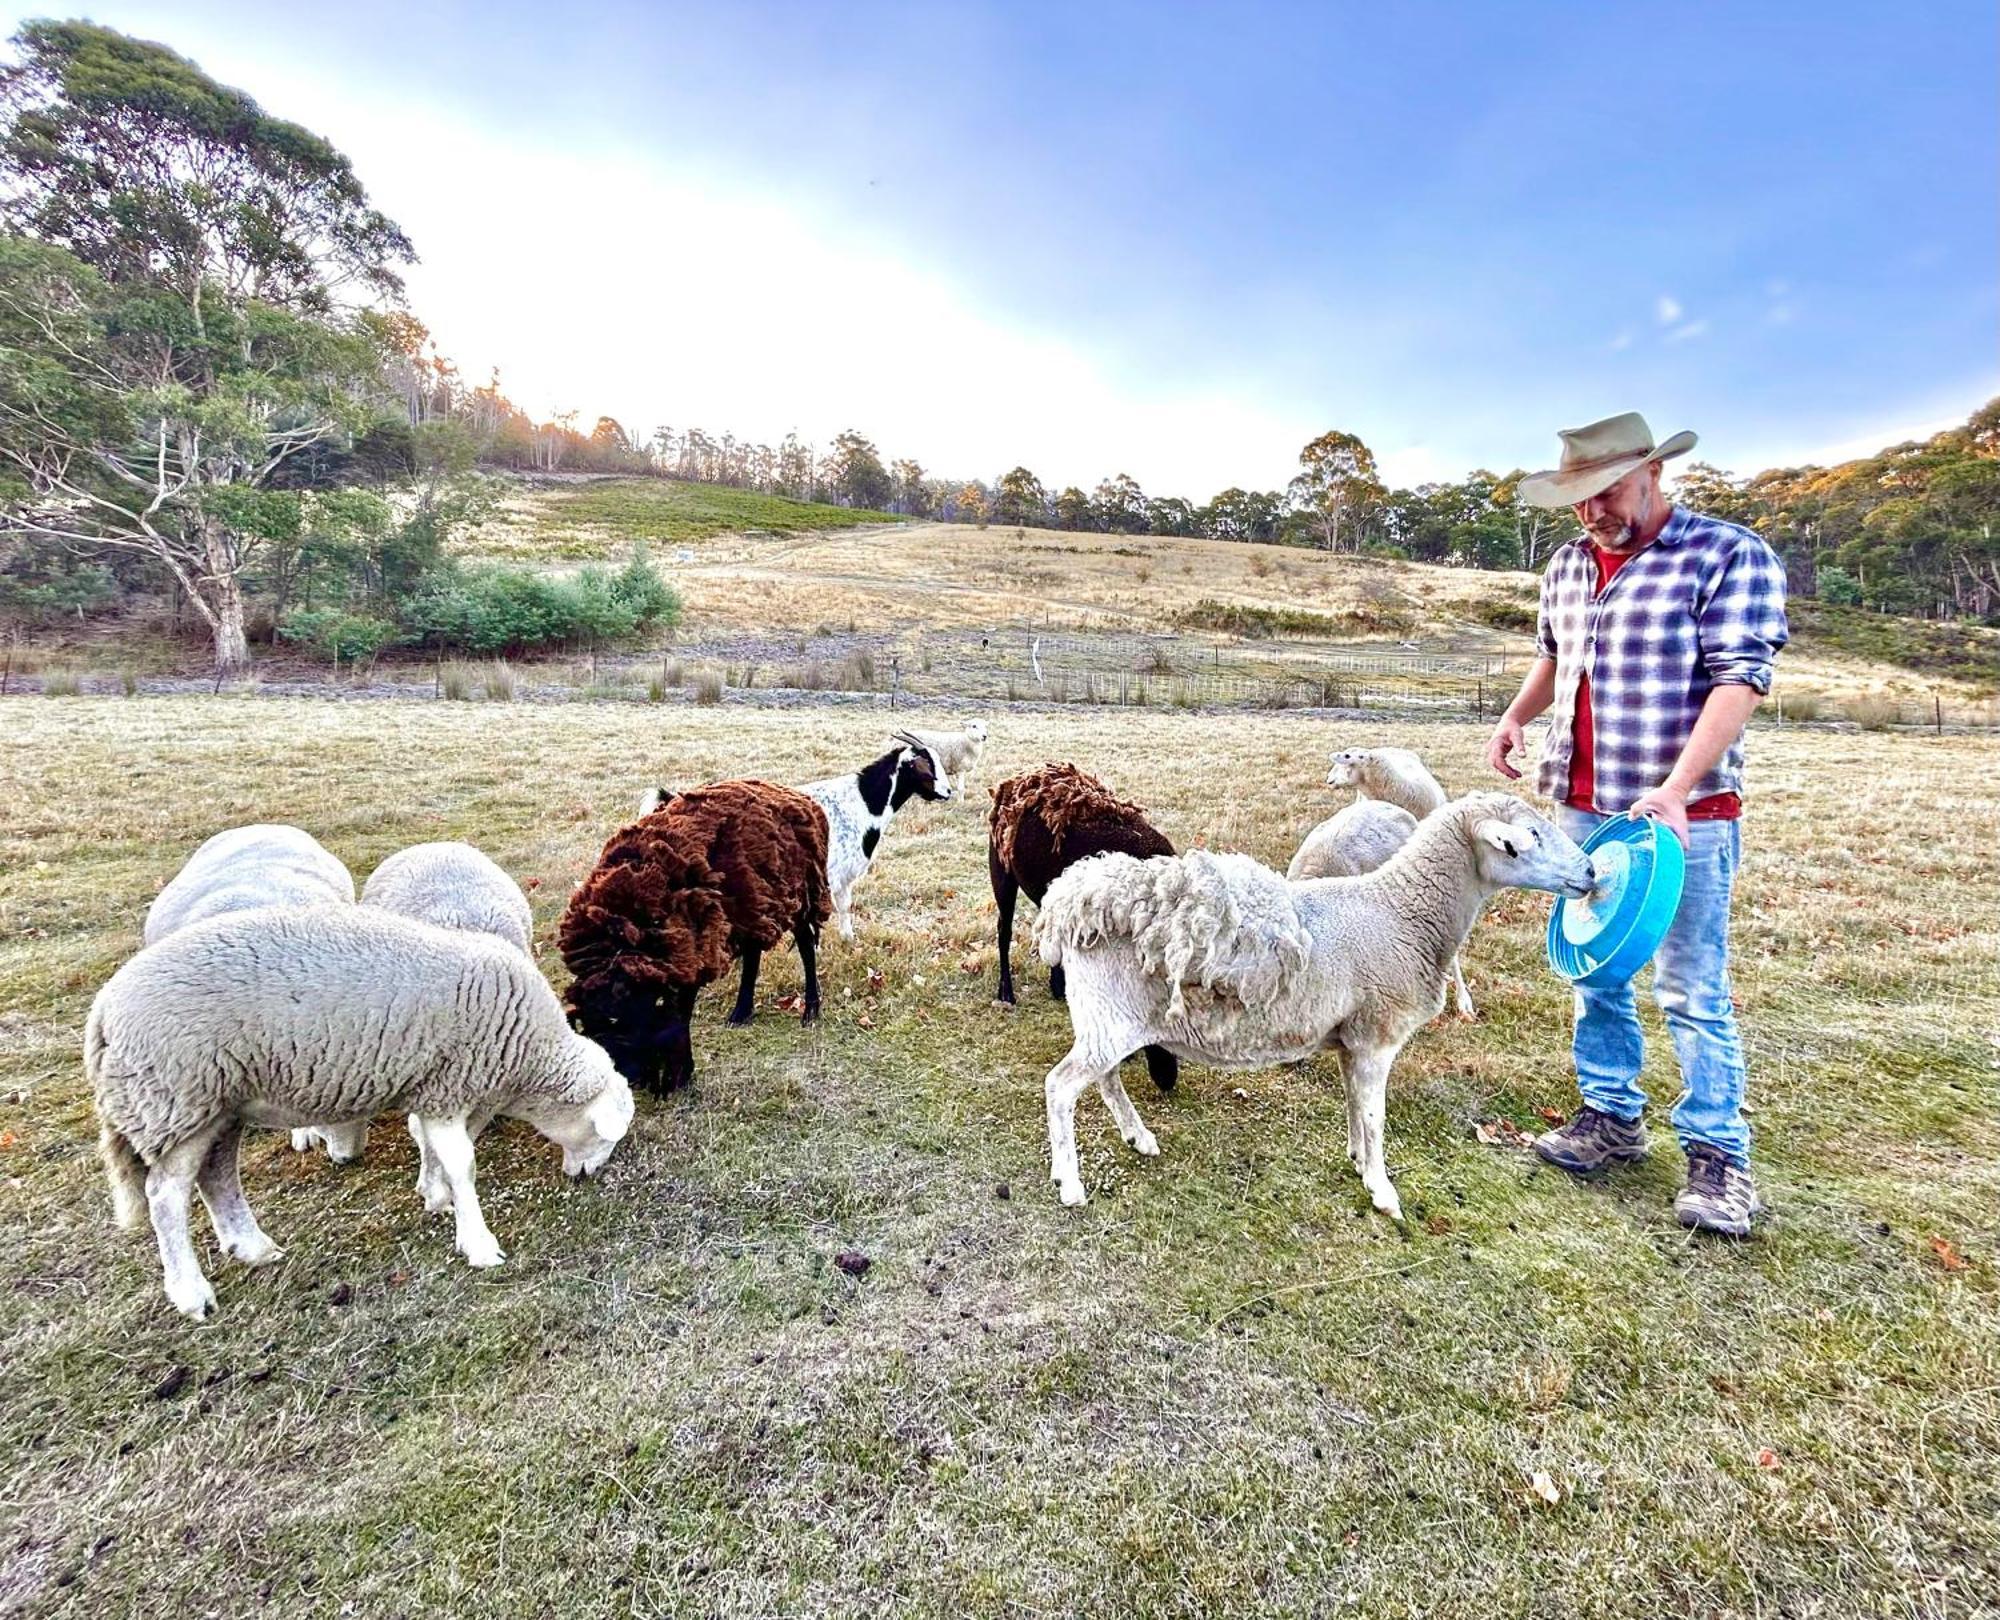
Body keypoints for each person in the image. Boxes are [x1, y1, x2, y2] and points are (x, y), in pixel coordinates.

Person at [1486, 412, 1789, 1236]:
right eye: (1576, 499)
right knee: (1595, 969)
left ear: (1654, 473)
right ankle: (1611, 1116)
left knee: (1690, 985)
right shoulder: (1569, 564)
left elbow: (1740, 681)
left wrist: (1679, 789)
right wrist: (1516, 717)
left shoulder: (1726, 554)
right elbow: (1555, 654)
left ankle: (1719, 1157)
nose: (1591, 512)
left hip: (1680, 817)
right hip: (1582, 803)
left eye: (1605, 491)